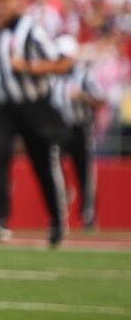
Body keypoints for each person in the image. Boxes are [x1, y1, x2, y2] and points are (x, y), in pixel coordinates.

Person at [0, 0, 72, 246]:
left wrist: (29, 67)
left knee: (43, 164)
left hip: (33, 105)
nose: (2, 4)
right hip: (2, 104)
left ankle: (58, 221)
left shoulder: (31, 30)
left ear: (17, 0)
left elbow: (63, 63)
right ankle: (1, 220)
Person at [49, 35, 103, 230]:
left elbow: (100, 99)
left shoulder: (84, 75)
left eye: (64, 57)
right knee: (54, 164)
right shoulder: (52, 77)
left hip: (80, 128)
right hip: (59, 127)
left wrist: (83, 97)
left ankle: (88, 215)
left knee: (85, 172)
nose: (60, 61)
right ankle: (61, 208)